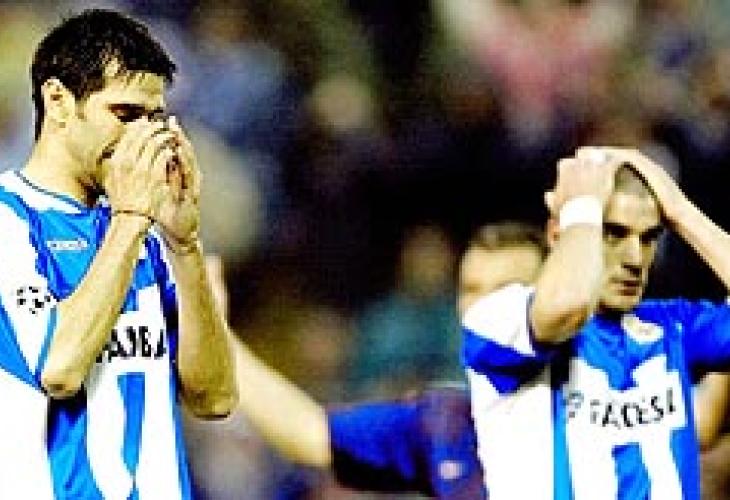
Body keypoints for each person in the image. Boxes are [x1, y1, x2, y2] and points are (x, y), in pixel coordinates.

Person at [0, 9, 237, 499]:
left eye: (154, 120)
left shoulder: (148, 234)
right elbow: (60, 367)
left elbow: (215, 398)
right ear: (58, 101)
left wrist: (185, 244)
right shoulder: (11, 220)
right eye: (125, 115)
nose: (141, 140)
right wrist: (130, 220)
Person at [462, 146, 730, 499]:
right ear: (558, 234)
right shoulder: (497, 320)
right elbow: (567, 305)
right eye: (613, 233)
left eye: (648, 238)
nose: (635, 258)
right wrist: (582, 209)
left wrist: (681, 211)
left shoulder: (672, 328)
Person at [217, 221, 546, 499]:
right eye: (471, 290)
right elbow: (311, 432)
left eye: (506, 289)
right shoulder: (444, 422)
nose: (484, 306)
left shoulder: (575, 400)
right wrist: (217, 334)